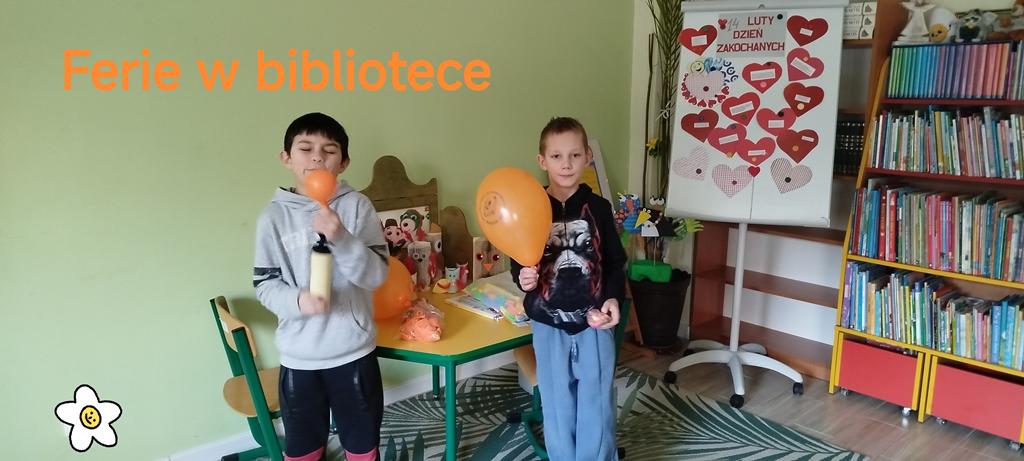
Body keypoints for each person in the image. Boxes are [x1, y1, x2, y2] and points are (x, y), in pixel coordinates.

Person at [253, 112, 389, 461]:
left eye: (329, 151)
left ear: (343, 162)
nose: (317, 158)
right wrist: (299, 301)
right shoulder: (273, 217)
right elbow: (265, 284)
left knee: (362, 447)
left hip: (353, 353)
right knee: (302, 450)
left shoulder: (357, 207)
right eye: (305, 148)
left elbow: (376, 276)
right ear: (286, 158)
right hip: (299, 359)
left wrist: (342, 236)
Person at [511, 116, 627, 461]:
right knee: (557, 404)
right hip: (547, 325)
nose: (566, 164)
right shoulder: (530, 208)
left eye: (575, 155)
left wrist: (612, 298)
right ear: (542, 161)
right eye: (557, 156)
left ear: (588, 156)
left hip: (594, 323)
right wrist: (522, 277)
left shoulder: (600, 209)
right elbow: (519, 259)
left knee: (596, 401)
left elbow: (615, 262)